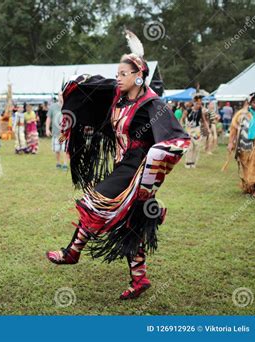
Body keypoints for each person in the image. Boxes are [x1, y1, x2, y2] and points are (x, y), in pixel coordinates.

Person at [46, 30, 190, 300]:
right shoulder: (119, 99)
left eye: (123, 73)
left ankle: (72, 252)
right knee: (129, 224)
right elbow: (92, 90)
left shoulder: (153, 105)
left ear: (138, 76)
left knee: (94, 201)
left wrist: (154, 163)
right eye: (118, 73)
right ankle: (139, 279)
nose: (118, 77)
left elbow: (177, 139)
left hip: (137, 169)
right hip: (123, 165)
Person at [228, 93, 255, 194]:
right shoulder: (241, 114)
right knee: (246, 166)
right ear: (250, 102)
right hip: (244, 145)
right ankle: (249, 187)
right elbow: (233, 129)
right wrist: (231, 143)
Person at [181, 96, 209, 168]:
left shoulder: (200, 111)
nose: (199, 105)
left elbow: (204, 120)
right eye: (198, 104)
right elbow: (182, 119)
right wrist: (184, 126)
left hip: (197, 130)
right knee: (190, 146)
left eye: (200, 104)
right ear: (194, 103)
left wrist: (207, 128)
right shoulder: (188, 110)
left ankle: (193, 162)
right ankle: (188, 162)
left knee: (197, 146)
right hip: (189, 129)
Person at [46, 96, 68, 170]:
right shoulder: (53, 107)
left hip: (64, 133)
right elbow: (48, 118)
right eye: (60, 95)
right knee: (57, 150)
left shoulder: (68, 105)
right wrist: (47, 129)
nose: (61, 97)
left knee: (65, 149)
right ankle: (58, 163)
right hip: (56, 133)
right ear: (58, 97)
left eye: (63, 95)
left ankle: (65, 164)